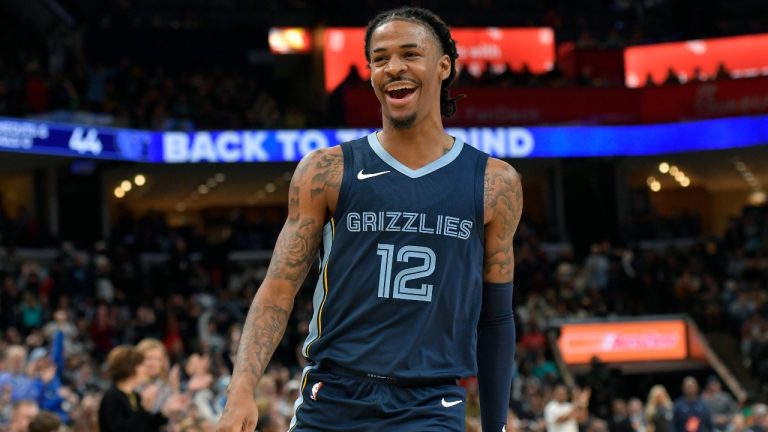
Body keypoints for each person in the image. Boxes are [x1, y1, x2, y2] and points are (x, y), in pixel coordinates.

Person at [217, 6, 523, 432]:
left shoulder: (495, 183)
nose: (393, 67)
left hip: (430, 404)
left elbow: (495, 318)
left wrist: (495, 426)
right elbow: (278, 291)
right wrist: (241, 392)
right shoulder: (326, 170)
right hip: (333, 396)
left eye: (409, 54)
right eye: (379, 59)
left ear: (444, 66)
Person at [98, 345, 186, 432]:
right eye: (141, 365)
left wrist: (165, 411)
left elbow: (147, 425)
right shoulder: (112, 398)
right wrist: (144, 408)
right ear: (130, 368)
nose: (145, 368)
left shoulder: (134, 395)